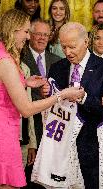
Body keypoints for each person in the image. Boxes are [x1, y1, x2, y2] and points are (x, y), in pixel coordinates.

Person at [0, 9, 84, 188]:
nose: (28, 37)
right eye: (26, 31)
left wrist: (24, 82)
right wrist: (62, 95)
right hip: (2, 132)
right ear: (14, 30)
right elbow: (26, 109)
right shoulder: (5, 61)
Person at [45, 22, 103, 189]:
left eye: (72, 47)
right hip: (60, 146)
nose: (68, 52)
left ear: (86, 42)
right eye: (63, 47)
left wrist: (84, 98)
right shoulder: (57, 68)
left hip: (91, 148)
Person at [22, 18, 61, 146]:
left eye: (45, 35)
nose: (42, 38)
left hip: (53, 120)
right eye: (38, 34)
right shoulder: (20, 57)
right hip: (30, 120)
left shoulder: (57, 61)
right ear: (29, 35)